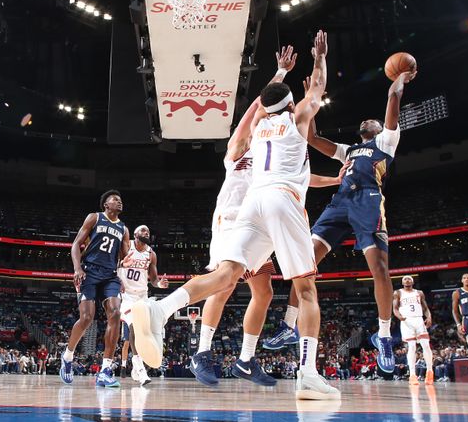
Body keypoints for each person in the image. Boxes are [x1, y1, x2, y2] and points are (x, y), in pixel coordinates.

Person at [133, 31, 341, 400]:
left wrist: (279, 75)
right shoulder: (295, 121)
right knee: (305, 289)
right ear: (292, 105)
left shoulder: (259, 129)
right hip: (279, 202)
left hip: (253, 204)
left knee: (229, 277)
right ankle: (307, 374)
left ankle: (160, 309)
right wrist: (320, 57)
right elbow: (317, 88)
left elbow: (258, 109)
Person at [188, 45, 345, 388]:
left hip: (261, 218)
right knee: (225, 283)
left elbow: (300, 176)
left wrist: (333, 180)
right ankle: (201, 351)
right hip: (233, 217)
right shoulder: (239, 146)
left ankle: (245, 360)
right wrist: (281, 75)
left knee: (265, 293)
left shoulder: (266, 145)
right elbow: (256, 108)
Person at [264, 62, 417, 377]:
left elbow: (391, 102)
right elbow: (313, 138)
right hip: (340, 203)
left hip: (368, 202)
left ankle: (385, 336)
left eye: (371, 121)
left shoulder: (385, 143)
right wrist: (311, 102)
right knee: (304, 261)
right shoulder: (349, 151)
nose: (367, 121)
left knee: (380, 268)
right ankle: (288, 324)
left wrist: (398, 80)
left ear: (378, 130)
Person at [59, 190, 131, 388]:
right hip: (89, 272)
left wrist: (127, 264)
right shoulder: (94, 217)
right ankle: (67, 356)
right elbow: (76, 245)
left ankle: (106, 370)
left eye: (121, 200)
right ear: (106, 204)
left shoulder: (124, 229)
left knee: (115, 313)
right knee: (87, 318)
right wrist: (77, 268)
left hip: (110, 275)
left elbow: (124, 258)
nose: (119, 202)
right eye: (115, 199)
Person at [117, 224, 169, 386]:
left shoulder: (151, 254)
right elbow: (114, 264)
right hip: (126, 297)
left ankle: (137, 367)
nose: (146, 232)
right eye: (143, 230)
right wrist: (117, 278)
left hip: (142, 297)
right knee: (134, 327)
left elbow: (153, 279)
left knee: (146, 331)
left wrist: (160, 284)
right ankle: (140, 369)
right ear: (135, 234)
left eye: (148, 231)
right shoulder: (126, 246)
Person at [393, 275, 433, 385]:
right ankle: (412, 375)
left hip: (419, 319)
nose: (407, 280)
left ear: (413, 281)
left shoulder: (419, 293)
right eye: (405, 279)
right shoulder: (398, 293)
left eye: (409, 279)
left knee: (426, 345)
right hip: (407, 321)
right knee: (412, 347)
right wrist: (399, 316)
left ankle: (430, 371)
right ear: (402, 282)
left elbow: (425, 308)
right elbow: (395, 308)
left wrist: (428, 317)